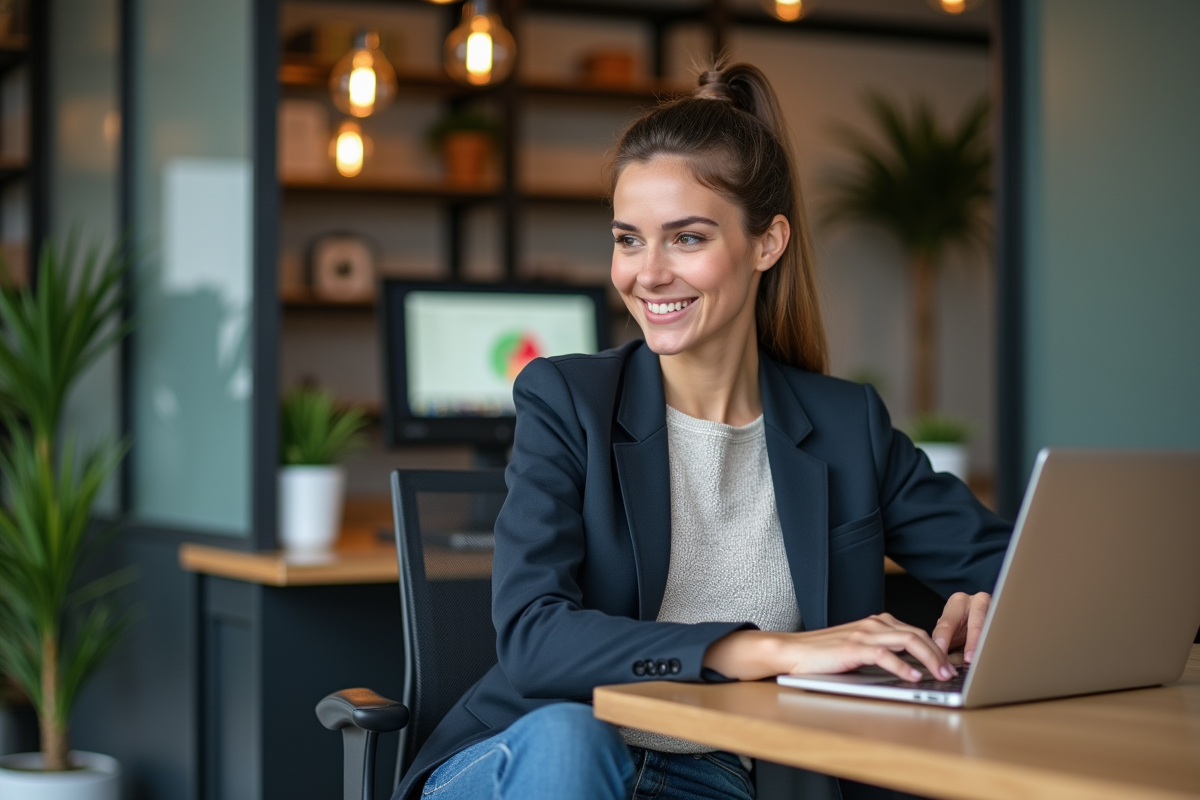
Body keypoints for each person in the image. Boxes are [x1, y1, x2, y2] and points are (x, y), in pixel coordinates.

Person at [395, 62, 1011, 800]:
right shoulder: (567, 399)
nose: (647, 274)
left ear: (767, 243)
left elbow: (1020, 570)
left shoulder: (848, 426)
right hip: (534, 759)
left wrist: (995, 603)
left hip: (722, 777)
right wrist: (768, 649)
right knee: (570, 742)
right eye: (629, 239)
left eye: (685, 238)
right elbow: (534, 637)